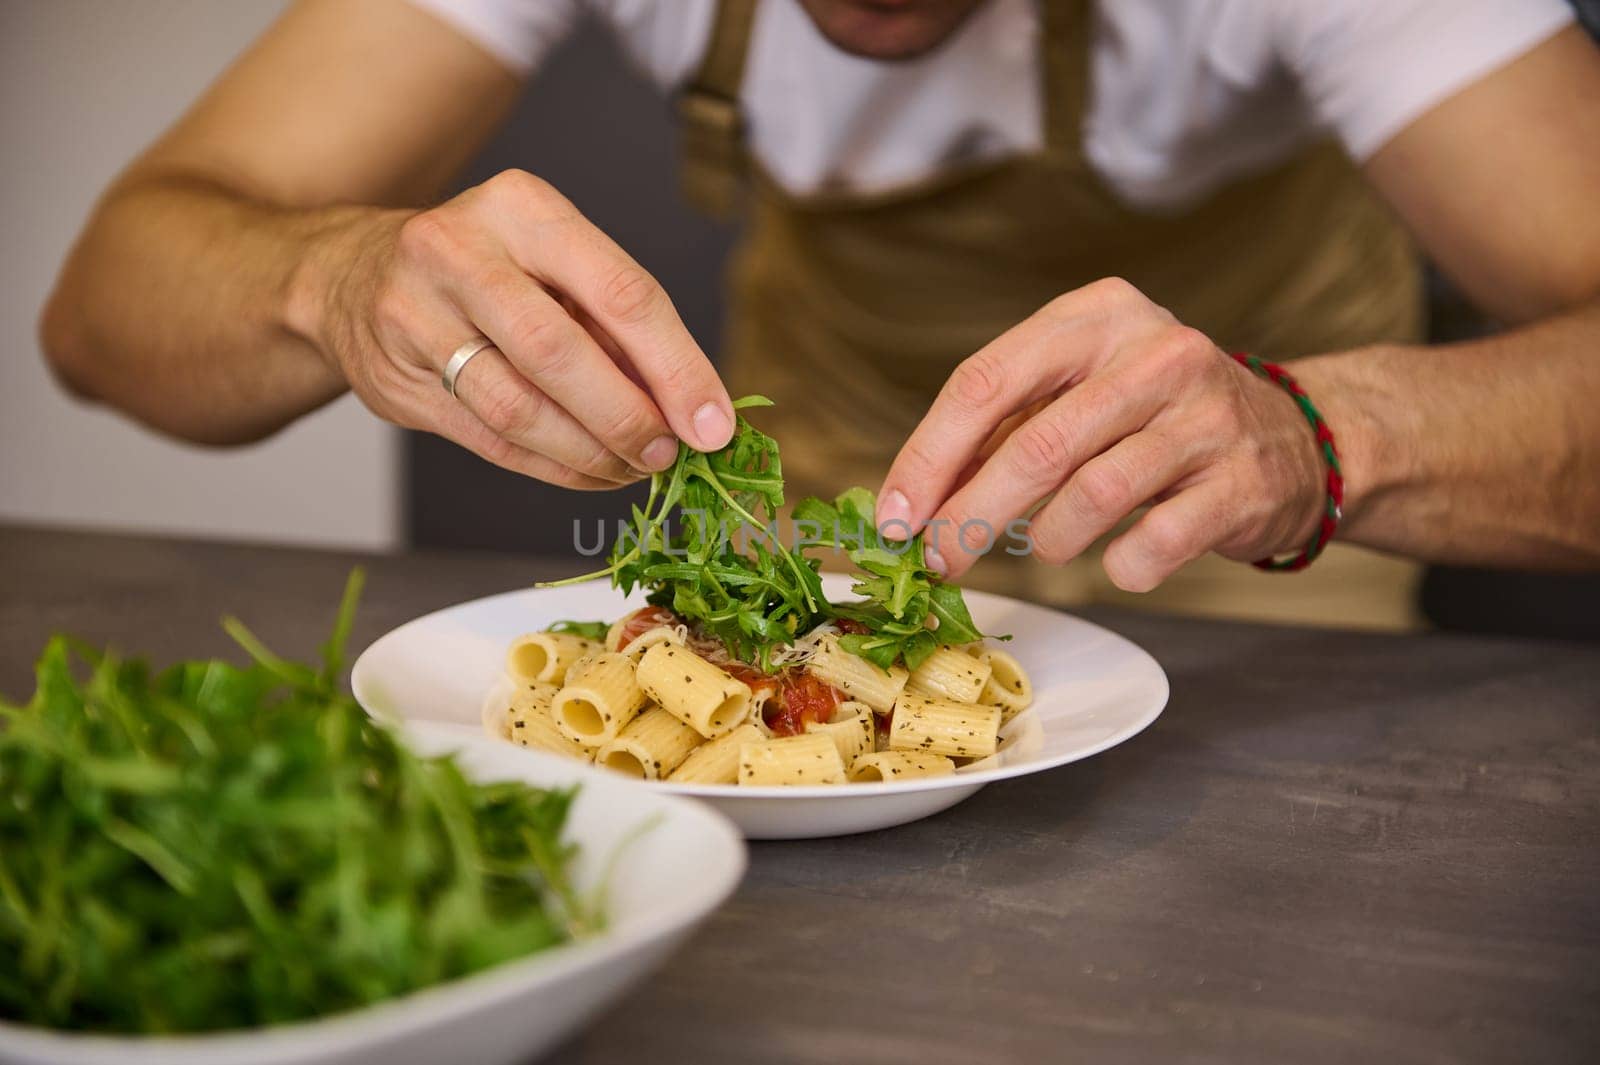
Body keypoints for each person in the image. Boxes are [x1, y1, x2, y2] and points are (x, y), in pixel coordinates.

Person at [41, 0, 1600, 627]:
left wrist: (1320, 433)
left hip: (1253, 537)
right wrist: (333, 278)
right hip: (827, 509)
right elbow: (106, 309)